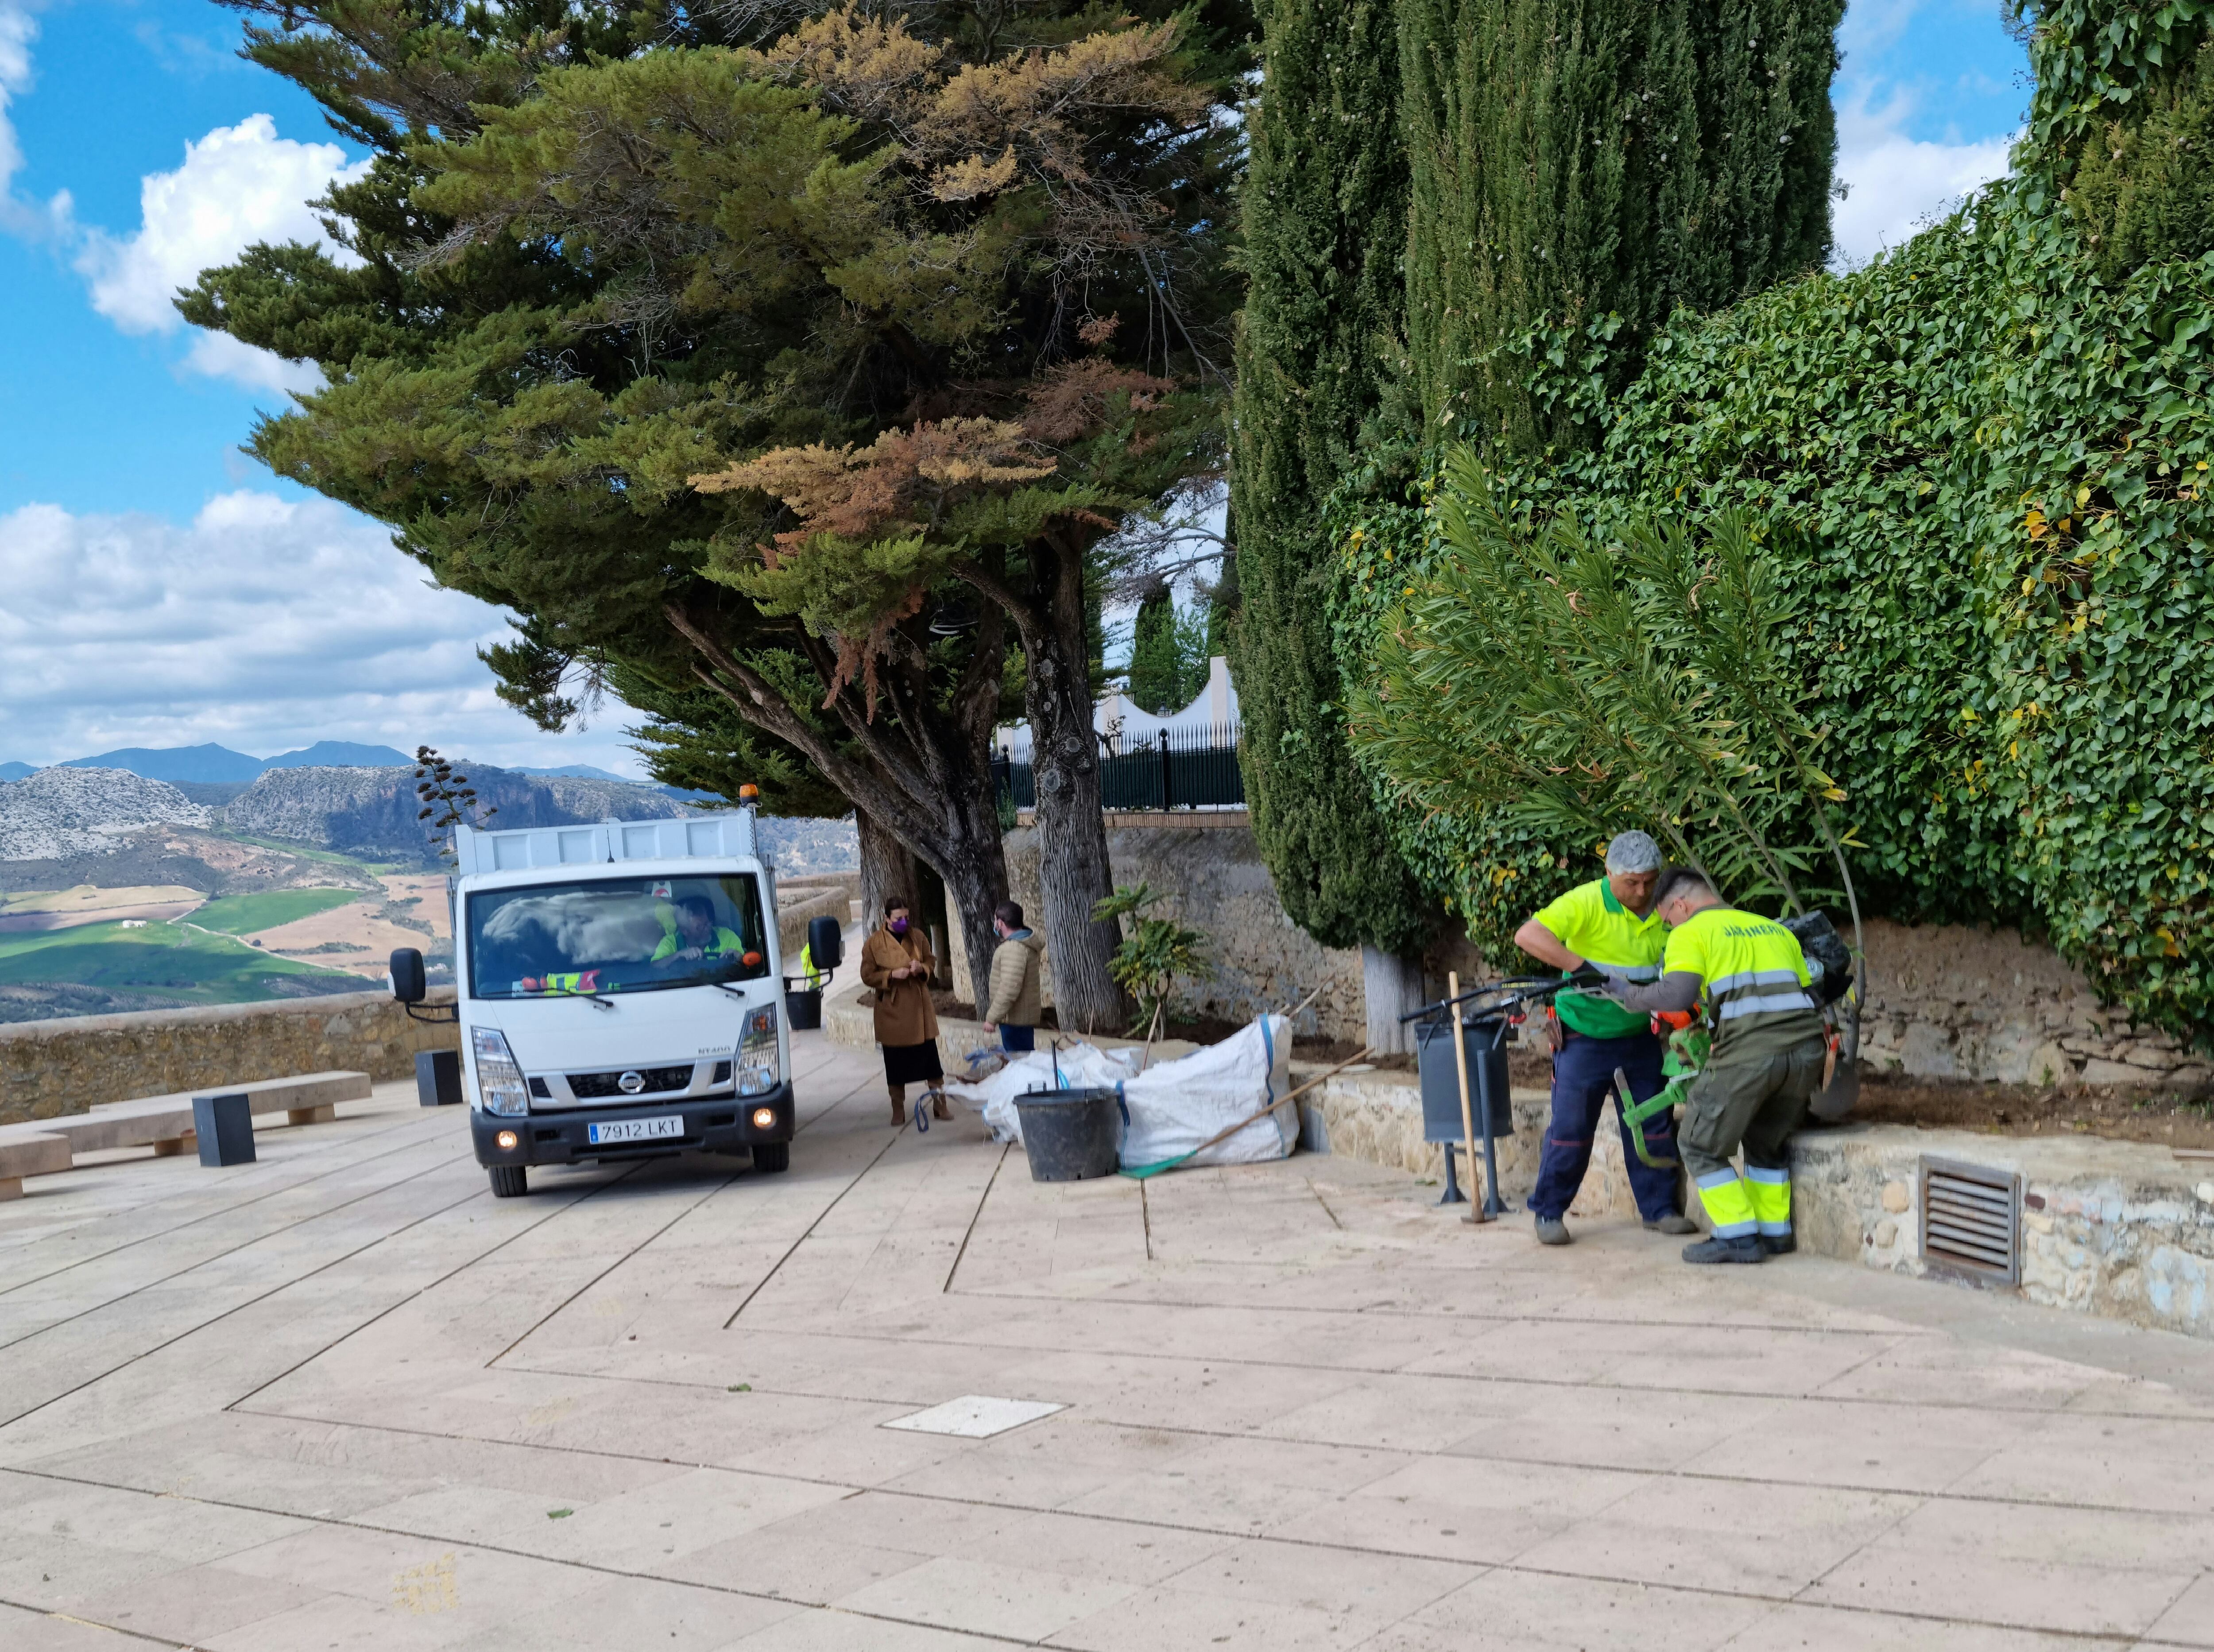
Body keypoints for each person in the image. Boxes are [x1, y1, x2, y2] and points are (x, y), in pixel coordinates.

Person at [1607, 867, 1827, 1264]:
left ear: (1680, 905)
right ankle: (1774, 1233)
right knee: (1765, 1141)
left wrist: (1628, 994)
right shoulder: (1772, 928)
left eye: (1668, 920)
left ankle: (1738, 1235)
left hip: (1750, 1053)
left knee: (1698, 1143)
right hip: (1807, 1051)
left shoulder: (1692, 932)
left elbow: (1677, 995)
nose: (1671, 927)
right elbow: (1810, 990)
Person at [1514, 829, 1699, 1246]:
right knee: (1571, 1129)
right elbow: (1528, 935)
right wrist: (1579, 967)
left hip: (1639, 1036)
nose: (1642, 892)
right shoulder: (1585, 902)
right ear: (1609, 873)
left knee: (1653, 1124)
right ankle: (1549, 1212)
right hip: (1584, 1036)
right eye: (1631, 883)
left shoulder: (1665, 908)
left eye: (1650, 882)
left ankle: (1660, 1209)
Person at [860, 897, 948, 1128]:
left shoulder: (917, 936)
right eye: (899, 918)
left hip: (919, 1008)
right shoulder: (874, 943)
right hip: (893, 1010)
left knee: (931, 1061)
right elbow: (867, 976)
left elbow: (931, 960)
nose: (904, 922)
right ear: (887, 918)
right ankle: (898, 1109)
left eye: (906, 917)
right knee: (896, 1065)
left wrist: (922, 968)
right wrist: (890, 975)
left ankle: (940, 1105)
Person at [982, 900, 1045, 1053]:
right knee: (1024, 1060)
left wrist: (992, 1018)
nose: (995, 924)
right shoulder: (1022, 945)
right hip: (1019, 1021)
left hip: (1015, 1021)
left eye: (996, 920)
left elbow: (1009, 988)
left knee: (1019, 1062)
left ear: (1001, 923)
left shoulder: (1014, 949)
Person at [653, 894, 742, 964]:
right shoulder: (670, 943)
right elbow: (655, 967)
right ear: (684, 931)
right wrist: (678, 955)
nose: (707, 928)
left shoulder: (726, 936)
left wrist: (739, 958)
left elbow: (745, 965)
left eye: (707, 923)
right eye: (699, 927)